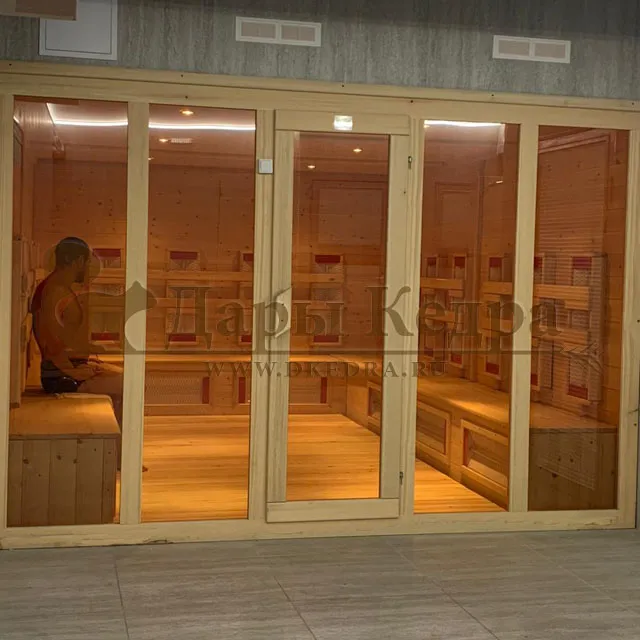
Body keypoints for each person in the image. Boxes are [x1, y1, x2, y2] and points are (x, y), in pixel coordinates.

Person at [30, 237, 124, 426]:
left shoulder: (58, 288)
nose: (88, 268)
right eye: (87, 262)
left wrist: (86, 353)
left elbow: (63, 337)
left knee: (124, 376)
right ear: (77, 261)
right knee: (131, 383)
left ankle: (116, 436)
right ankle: (115, 439)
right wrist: (72, 372)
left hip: (70, 366)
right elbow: (49, 343)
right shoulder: (54, 292)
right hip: (59, 377)